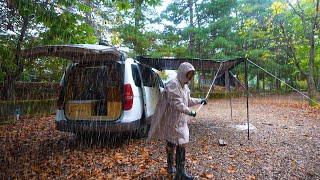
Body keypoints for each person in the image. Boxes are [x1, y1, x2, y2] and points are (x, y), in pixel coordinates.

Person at [147, 62, 207, 180]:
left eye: (191, 75)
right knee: (180, 142)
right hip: (172, 120)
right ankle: (180, 173)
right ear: (182, 72)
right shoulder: (173, 85)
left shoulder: (184, 86)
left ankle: (173, 168)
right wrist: (190, 112)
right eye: (188, 75)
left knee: (174, 141)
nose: (189, 78)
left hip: (180, 120)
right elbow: (177, 104)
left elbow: (187, 101)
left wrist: (200, 100)